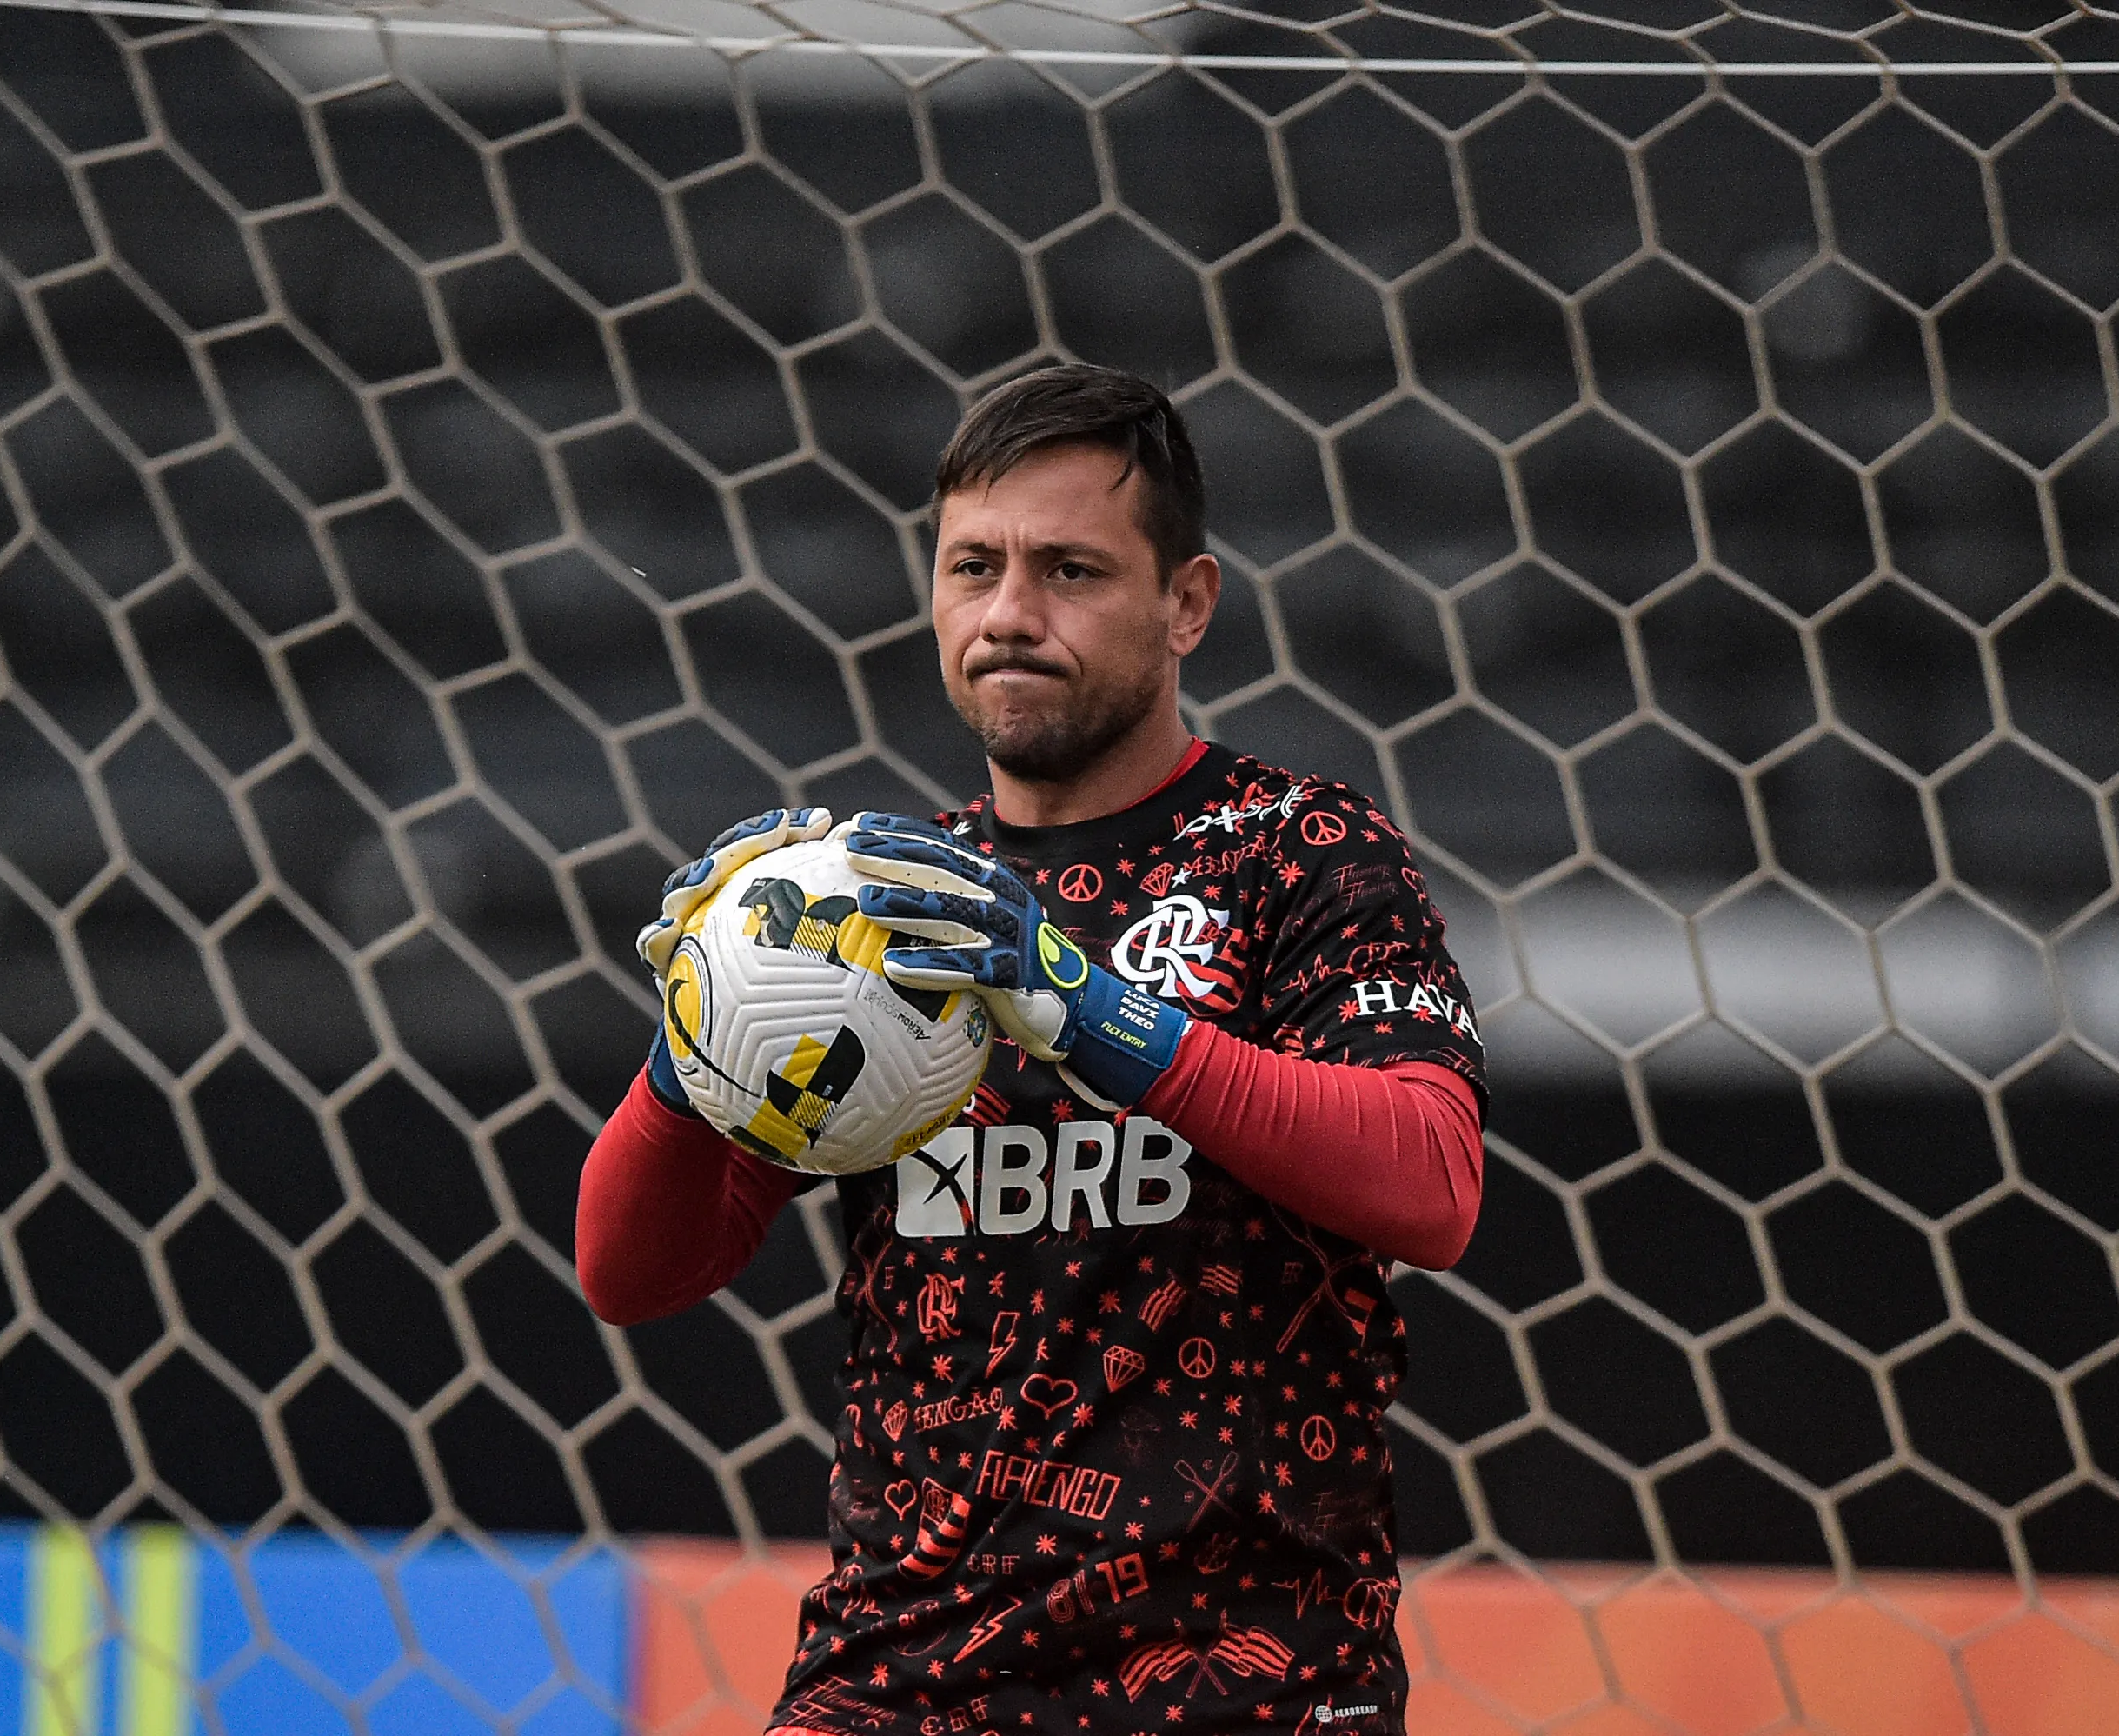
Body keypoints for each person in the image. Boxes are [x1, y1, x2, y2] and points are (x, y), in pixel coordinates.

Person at [577, 364, 1486, 1736]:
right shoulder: (881, 922)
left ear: (1187, 604)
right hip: (900, 1679)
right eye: (973, 567)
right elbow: (630, 1272)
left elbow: (1433, 1187)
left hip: (1248, 1685)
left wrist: (1098, 1014)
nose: (1009, 615)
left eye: (1070, 570)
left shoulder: (1297, 850)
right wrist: (699, 1046)